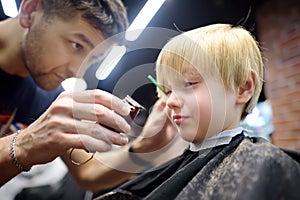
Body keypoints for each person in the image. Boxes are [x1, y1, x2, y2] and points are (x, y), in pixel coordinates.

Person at [94, 23, 300, 200]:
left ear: (243, 87)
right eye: (166, 91)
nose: (171, 101)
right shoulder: (169, 170)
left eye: (189, 83)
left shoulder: (266, 165)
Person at [0, 0, 186, 193]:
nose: (77, 72)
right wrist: (23, 146)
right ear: (30, 11)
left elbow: (88, 172)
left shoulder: (45, 97)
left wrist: (147, 146)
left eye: (93, 59)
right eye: (76, 45)